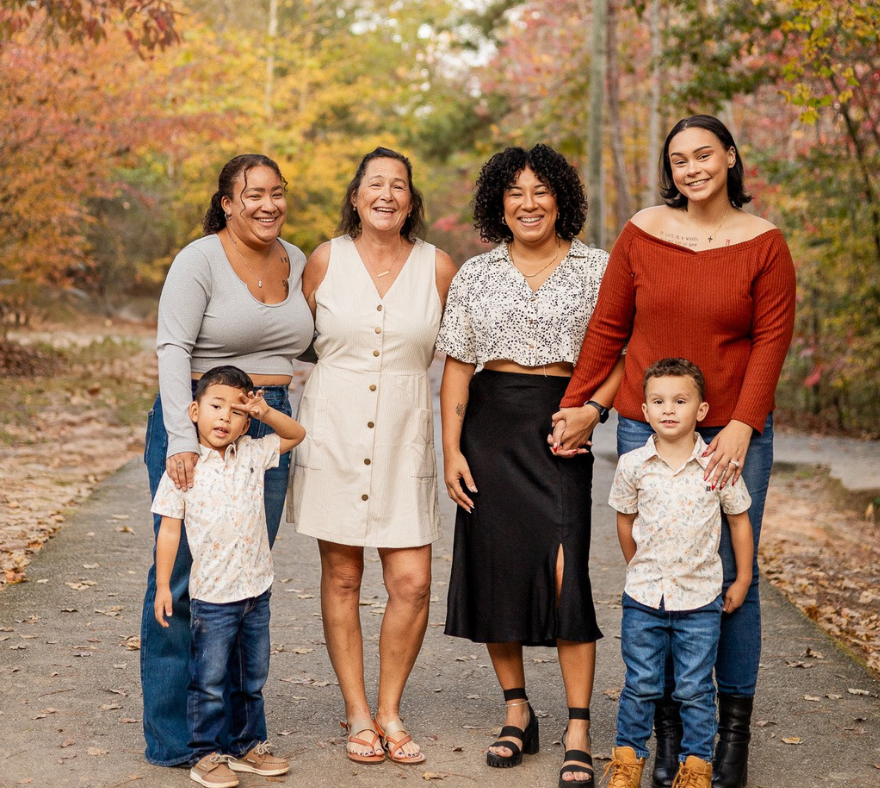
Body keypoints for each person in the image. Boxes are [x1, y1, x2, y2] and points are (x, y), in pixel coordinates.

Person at [553, 115, 796, 788]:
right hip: (644, 427)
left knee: (727, 583)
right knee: (659, 575)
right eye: (679, 159)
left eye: (703, 155)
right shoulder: (643, 231)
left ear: (730, 158)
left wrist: (743, 424)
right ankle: (668, 740)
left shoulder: (765, 243)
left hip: (732, 434)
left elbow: (772, 340)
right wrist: (580, 403)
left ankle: (730, 739)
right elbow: (610, 325)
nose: (691, 168)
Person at [436, 144, 622, 788]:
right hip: (491, 428)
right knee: (500, 567)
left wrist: (594, 410)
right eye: (515, 192)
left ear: (561, 197)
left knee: (566, 571)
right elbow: (457, 368)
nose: (529, 202)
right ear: (499, 203)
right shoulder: (475, 275)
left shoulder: (599, 267)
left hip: (564, 424)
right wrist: (451, 449)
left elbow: (624, 349)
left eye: (541, 190)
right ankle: (517, 711)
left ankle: (578, 724)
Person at [142, 154, 313, 766]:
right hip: (198, 419)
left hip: (262, 423)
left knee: (242, 585)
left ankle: (241, 737)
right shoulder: (199, 259)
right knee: (187, 581)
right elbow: (172, 346)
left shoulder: (297, 259)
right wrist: (182, 441)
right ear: (227, 202)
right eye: (253, 195)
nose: (267, 205)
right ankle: (178, 741)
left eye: (277, 193)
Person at [288, 147, 456, 765]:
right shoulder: (324, 261)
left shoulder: (438, 268)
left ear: (411, 201)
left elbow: (460, 361)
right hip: (332, 432)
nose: (387, 194)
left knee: (411, 582)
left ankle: (391, 707)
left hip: (404, 436)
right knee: (343, 576)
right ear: (355, 196)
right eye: (374, 184)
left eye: (399, 186)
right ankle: (358, 712)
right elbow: (286, 338)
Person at [602, 359, 753, 788]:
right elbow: (625, 521)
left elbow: (739, 520)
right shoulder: (633, 465)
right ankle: (628, 764)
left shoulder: (717, 463)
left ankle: (695, 769)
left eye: (680, 400)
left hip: (700, 602)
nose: (669, 409)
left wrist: (741, 580)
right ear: (645, 411)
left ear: (701, 411)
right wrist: (639, 568)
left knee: (694, 690)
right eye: (658, 401)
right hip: (645, 599)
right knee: (640, 685)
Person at [152, 366, 305, 788]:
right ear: (194, 410)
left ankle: (247, 745)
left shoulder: (253, 453)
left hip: (256, 589)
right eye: (216, 407)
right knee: (211, 679)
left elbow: (296, 435)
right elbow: (168, 531)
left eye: (237, 412)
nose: (225, 418)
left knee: (251, 676)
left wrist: (265, 411)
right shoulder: (183, 468)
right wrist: (164, 585)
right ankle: (205, 753)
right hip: (213, 597)